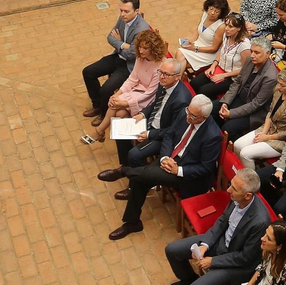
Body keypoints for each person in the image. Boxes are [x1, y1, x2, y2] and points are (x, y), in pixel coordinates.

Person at [166, 170, 272, 285]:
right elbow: (222, 221)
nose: (228, 190)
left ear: (248, 195)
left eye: (234, 188)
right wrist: (205, 245)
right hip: (221, 244)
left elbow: (245, 258)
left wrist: (212, 261)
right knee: (172, 250)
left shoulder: (260, 221)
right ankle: (187, 277)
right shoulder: (236, 199)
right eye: (231, 184)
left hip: (237, 264)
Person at [105, 95, 224, 240]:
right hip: (171, 158)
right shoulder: (185, 113)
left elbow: (205, 169)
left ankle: (125, 171)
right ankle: (132, 222)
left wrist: (178, 170)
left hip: (188, 176)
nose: (188, 117)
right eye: (188, 111)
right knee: (142, 179)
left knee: (143, 176)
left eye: (193, 116)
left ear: (204, 117)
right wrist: (164, 157)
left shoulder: (212, 135)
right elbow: (169, 135)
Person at [82, 27, 165, 145]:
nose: (141, 51)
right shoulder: (141, 58)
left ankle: (99, 131)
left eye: (145, 48)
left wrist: (125, 103)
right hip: (136, 92)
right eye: (140, 47)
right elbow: (132, 79)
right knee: (119, 113)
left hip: (147, 100)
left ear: (154, 48)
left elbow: (150, 94)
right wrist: (118, 94)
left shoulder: (160, 67)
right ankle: (126, 148)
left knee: (115, 107)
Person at [107, 58, 189, 169]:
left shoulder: (181, 100)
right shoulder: (163, 83)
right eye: (160, 72)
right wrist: (143, 114)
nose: (162, 76)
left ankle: (139, 179)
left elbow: (173, 131)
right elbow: (155, 104)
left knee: (134, 154)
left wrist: (149, 134)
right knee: (120, 129)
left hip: (163, 135)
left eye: (166, 74)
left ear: (177, 77)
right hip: (151, 122)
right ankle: (126, 166)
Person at [81, 0, 149, 120]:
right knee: (88, 72)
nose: (122, 14)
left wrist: (120, 43)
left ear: (137, 11)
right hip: (117, 57)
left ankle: (103, 115)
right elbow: (110, 37)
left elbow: (131, 55)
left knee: (106, 89)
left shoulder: (142, 30)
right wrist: (124, 45)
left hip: (129, 66)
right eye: (121, 10)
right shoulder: (123, 18)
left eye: (126, 11)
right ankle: (97, 105)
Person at [232, 65, 286, 175]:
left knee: (245, 154)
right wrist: (264, 132)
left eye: (282, 85)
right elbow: (270, 112)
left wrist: (267, 137)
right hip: (268, 129)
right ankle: (240, 174)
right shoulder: (278, 91)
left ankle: (250, 182)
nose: (279, 87)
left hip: (280, 140)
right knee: (237, 145)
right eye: (279, 83)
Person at [219, 39, 279, 138]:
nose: (252, 55)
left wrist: (231, 113)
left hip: (254, 112)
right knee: (214, 110)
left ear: (267, 54)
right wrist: (225, 102)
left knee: (228, 128)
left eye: (256, 52)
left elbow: (256, 104)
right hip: (241, 98)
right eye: (251, 51)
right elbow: (238, 82)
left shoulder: (271, 77)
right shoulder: (249, 60)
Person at [195, 13, 249, 100]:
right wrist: (213, 65)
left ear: (239, 28)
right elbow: (222, 51)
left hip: (232, 78)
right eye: (226, 25)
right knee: (195, 83)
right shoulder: (226, 35)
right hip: (219, 69)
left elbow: (245, 69)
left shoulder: (244, 46)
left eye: (230, 26)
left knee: (204, 90)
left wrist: (224, 75)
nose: (226, 28)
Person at [177, 0, 230, 72]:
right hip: (198, 44)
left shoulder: (221, 26)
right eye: (211, 9)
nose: (212, 13)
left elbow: (214, 48)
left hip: (207, 52)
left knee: (180, 58)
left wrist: (195, 48)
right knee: (180, 57)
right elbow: (198, 30)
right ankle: (178, 78)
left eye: (216, 11)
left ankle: (176, 79)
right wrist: (190, 39)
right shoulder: (205, 14)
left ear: (221, 13)